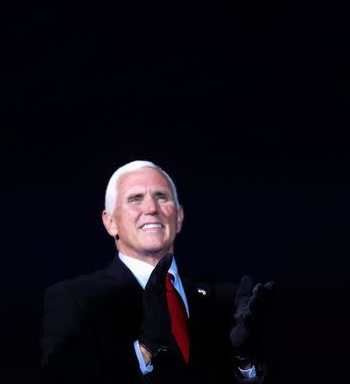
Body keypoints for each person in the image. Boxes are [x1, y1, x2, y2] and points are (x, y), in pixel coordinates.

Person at [41, 160, 275, 383]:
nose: (151, 208)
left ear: (180, 216)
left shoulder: (225, 301)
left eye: (161, 197)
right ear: (110, 222)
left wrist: (246, 362)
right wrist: (144, 351)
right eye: (135, 199)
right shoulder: (76, 301)